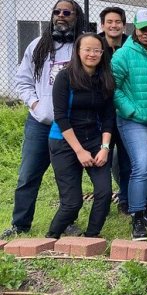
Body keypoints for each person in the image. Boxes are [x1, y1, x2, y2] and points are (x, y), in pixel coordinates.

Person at [2, 0, 85, 239]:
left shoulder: (82, 46)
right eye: (56, 11)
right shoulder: (37, 45)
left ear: (76, 16)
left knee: (68, 177)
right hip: (39, 123)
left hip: (69, 125)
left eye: (66, 12)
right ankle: (20, 223)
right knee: (28, 174)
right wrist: (35, 104)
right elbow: (23, 80)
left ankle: (68, 221)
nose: (61, 15)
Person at [46, 33, 115, 238]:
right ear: (78, 51)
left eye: (97, 50)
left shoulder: (105, 79)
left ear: (102, 53)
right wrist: (79, 151)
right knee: (72, 203)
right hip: (64, 142)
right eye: (87, 49)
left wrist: (104, 148)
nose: (92, 54)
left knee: (104, 193)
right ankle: (51, 238)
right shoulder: (64, 76)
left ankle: (91, 238)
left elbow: (108, 117)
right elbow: (60, 116)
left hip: (94, 139)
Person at [112, 9, 147, 241]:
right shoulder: (123, 55)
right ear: (134, 29)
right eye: (142, 28)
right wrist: (129, 109)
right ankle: (136, 217)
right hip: (133, 120)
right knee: (142, 165)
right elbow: (112, 87)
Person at [98, 6, 131, 215]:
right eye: (109, 22)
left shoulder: (131, 45)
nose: (113, 25)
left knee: (127, 160)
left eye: (117, 22)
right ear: (103, 25)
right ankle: (102, 200)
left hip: (126, 112)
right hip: (102, 114)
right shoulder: (94, 45)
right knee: (103, 156)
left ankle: (125, 199)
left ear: (124, 24)